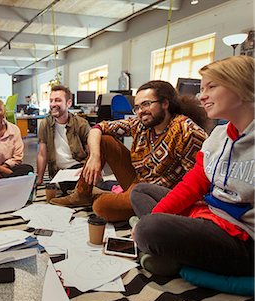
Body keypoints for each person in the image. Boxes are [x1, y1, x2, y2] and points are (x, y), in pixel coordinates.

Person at [133, 55, 254, 277]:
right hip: (208, 215)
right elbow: (192, 185)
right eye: (201, 88)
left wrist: (154, 222)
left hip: (241, 237)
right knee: (140, 192)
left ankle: (168, 252)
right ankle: (171, 248)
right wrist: (159, 215)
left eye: (211, 86)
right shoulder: (218, 136)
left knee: (148, 228)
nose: (202, 95)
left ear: (242, 86)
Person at [51, 80, 208, 223]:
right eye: (137, 107)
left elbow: (198, 184)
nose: (141, 111)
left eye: (146, 104)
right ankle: (82, 195)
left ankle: (119, 202)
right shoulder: (140, 123)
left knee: (101, 207)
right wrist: (94, 157)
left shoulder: (186, 131)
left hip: (159, 193)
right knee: (104, 140)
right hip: (138, 180)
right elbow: (98, 128)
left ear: (165, 103)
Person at [36, 85, 90, 193]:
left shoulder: (81, 124)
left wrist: (86, 170)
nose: (53, 104)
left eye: (58, 100)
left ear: (68, 103)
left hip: (79, 167)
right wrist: (39, 179)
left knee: (85, 182)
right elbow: (42, 155)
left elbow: (91, 153)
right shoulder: (45, 124)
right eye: (51, 101)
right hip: (58, 172)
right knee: (69, 185)